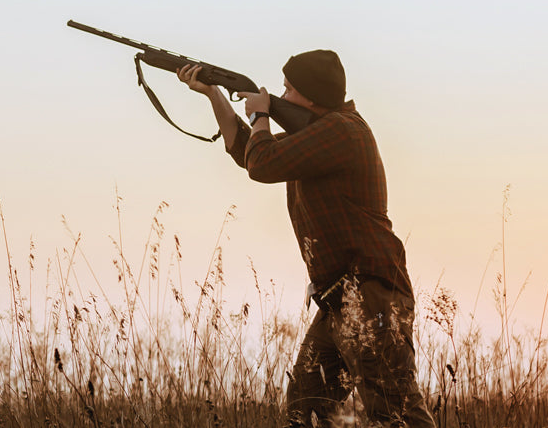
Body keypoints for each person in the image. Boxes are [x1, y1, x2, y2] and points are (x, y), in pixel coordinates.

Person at [177, 50, 434, 427]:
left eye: (288, 89)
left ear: (311, 97)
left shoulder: (343, 131)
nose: (280, 94)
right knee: (306, 406)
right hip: (337, 301)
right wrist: (213, 93)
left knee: (396, 412)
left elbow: (261, 162)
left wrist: (262, 114)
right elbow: (248, 150)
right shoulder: (320, 135)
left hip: (369, 293)